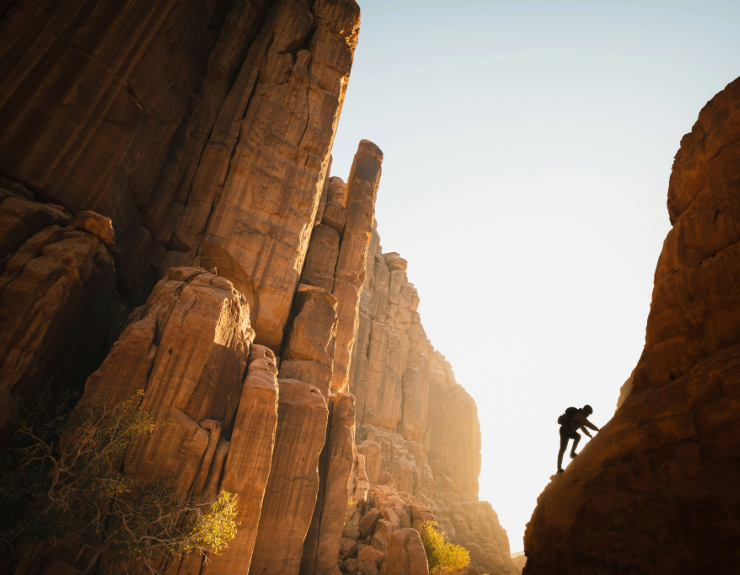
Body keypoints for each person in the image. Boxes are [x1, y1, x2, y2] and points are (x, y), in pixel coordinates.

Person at [557, 405, 600, 473]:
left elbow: (583, 428)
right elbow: (588, 424)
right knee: (563, 449)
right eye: (588, 413)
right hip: (565, 431)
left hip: (567, 431)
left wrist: (590, 436)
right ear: (585, 411)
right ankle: (560, 468)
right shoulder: (580, 416)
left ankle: (572, 453)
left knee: (577, 437)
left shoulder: (579, 416)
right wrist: (598, 430)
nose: (588, 415)